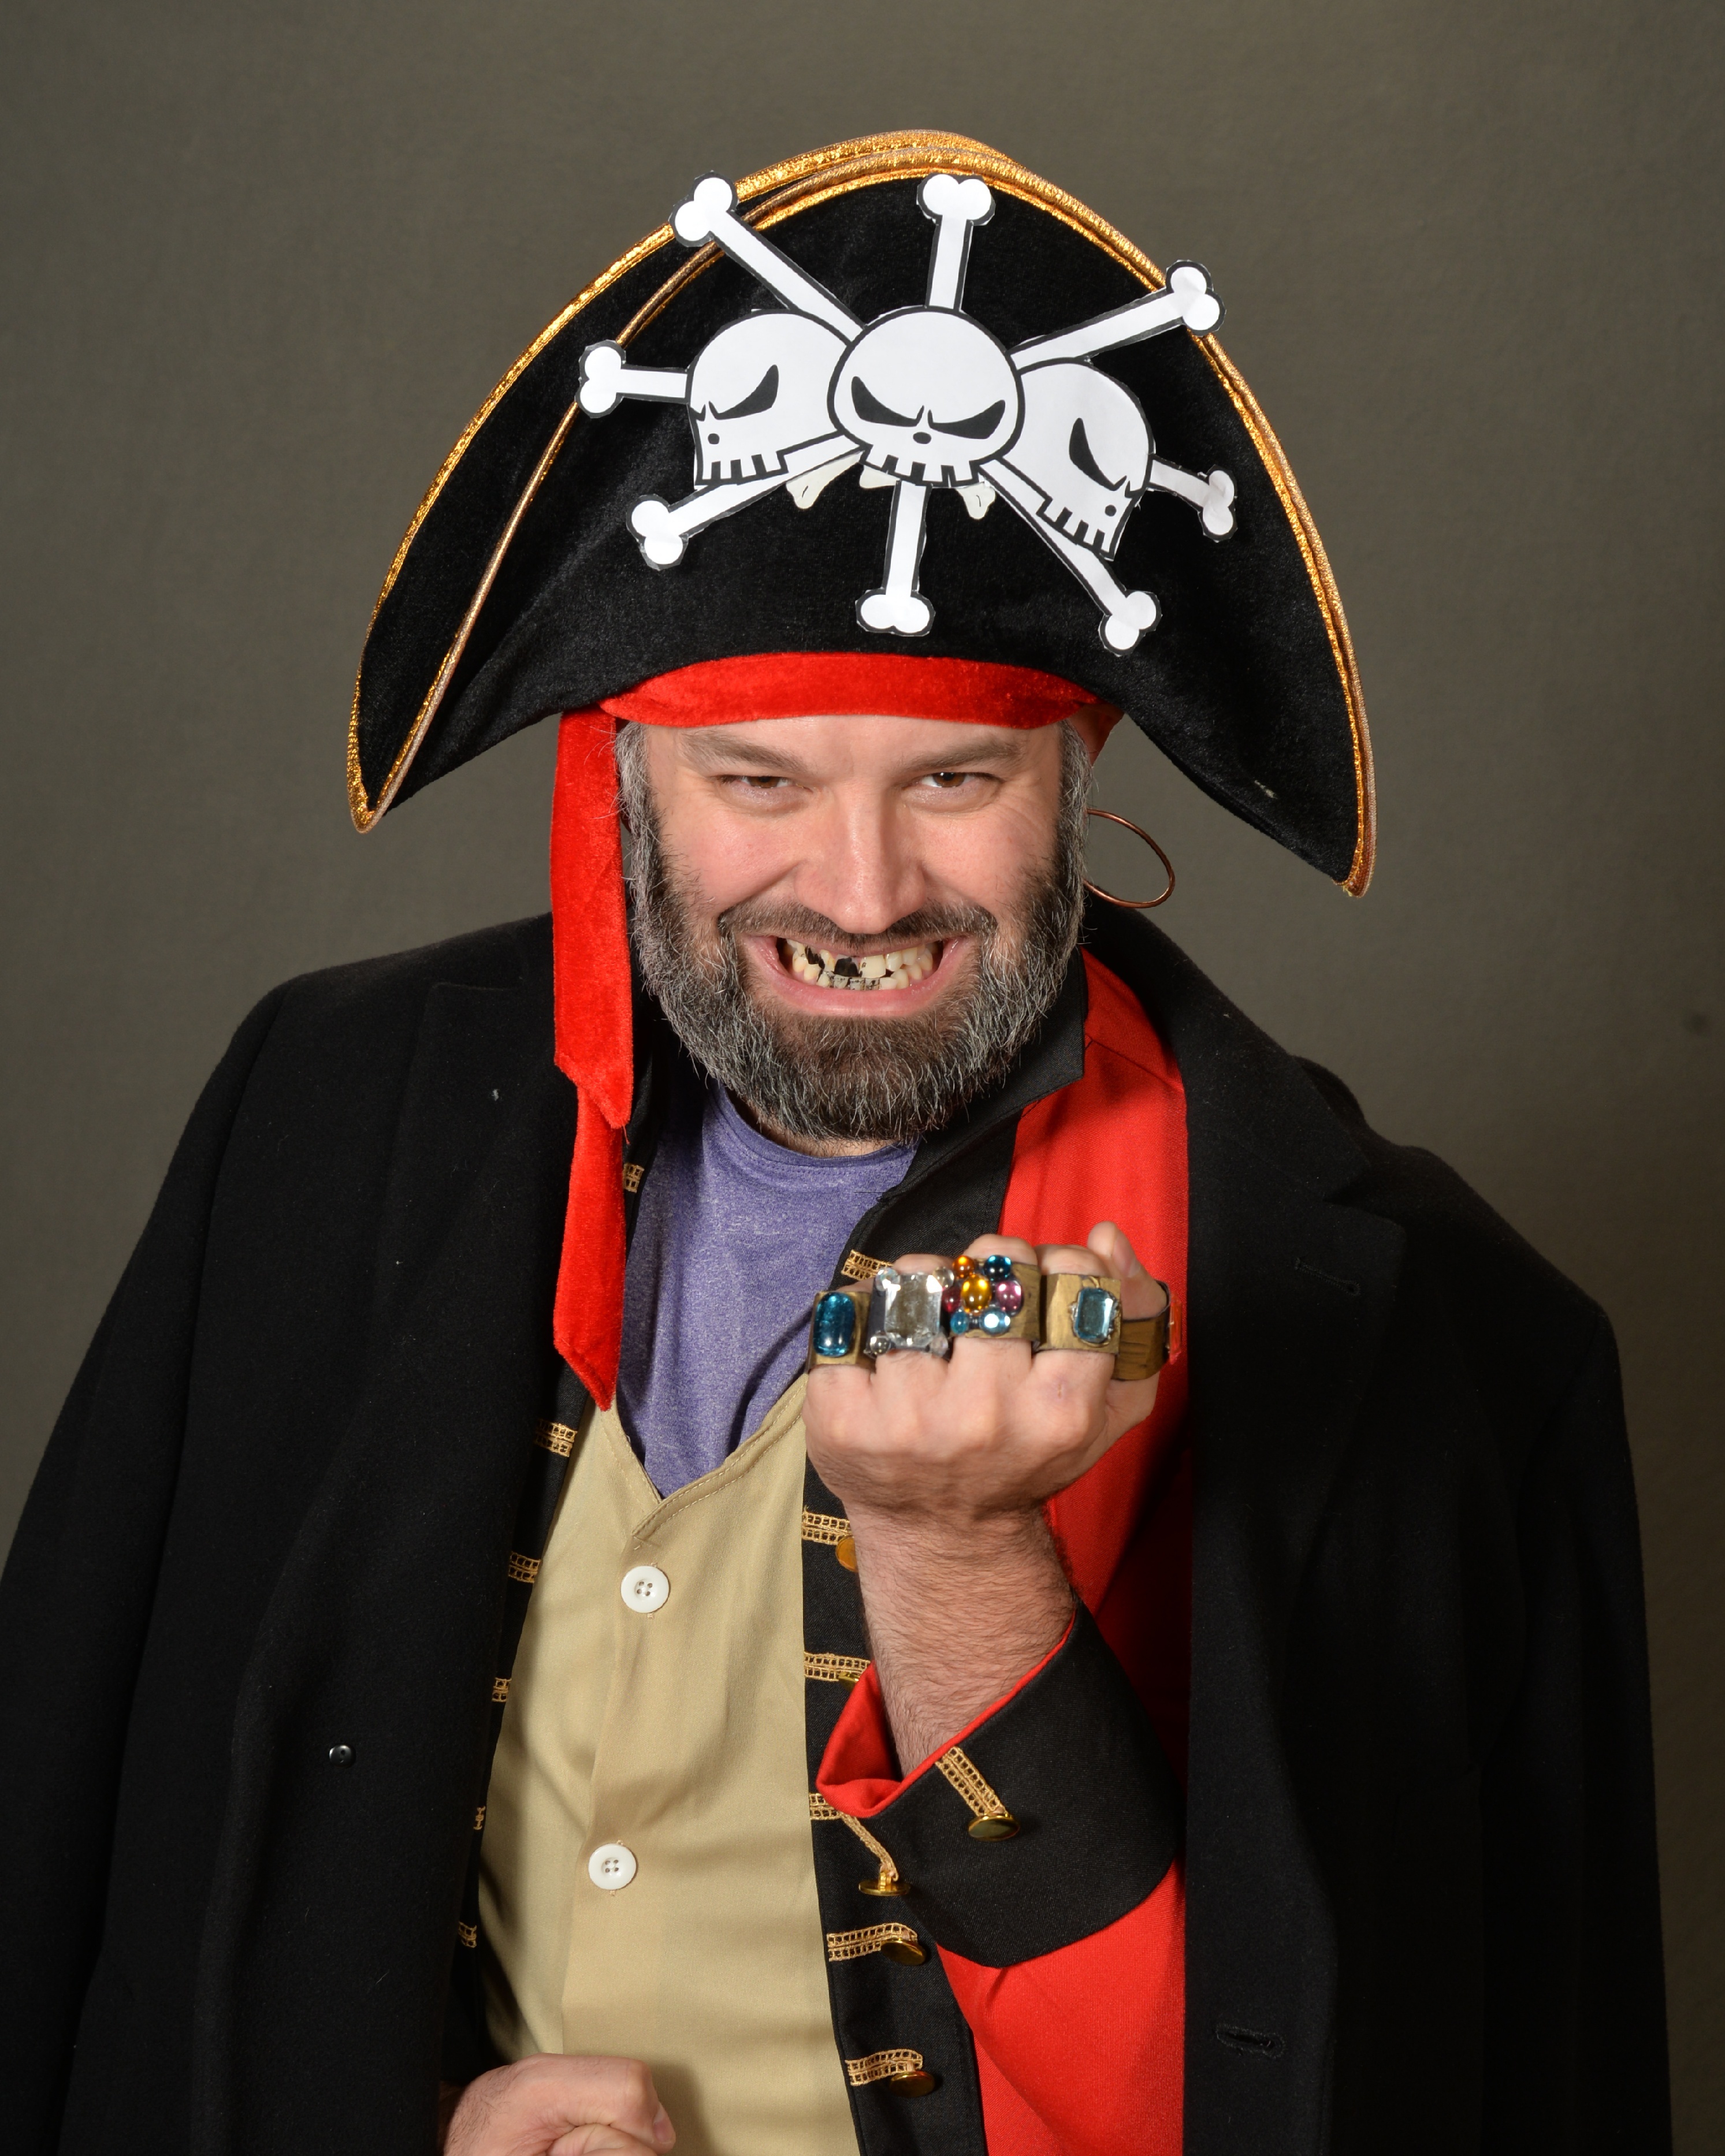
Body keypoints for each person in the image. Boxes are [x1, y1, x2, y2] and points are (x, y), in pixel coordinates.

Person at [0, 132, 1668, 2156]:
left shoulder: (1435, 1339)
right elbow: (95, 1891)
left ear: (1081, 769)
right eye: (760, 782)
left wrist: (958, 1556)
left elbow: (1322, 2091)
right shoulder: (328, 1114)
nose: (861, 890)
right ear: (617, 776)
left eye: (955, 779)